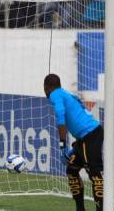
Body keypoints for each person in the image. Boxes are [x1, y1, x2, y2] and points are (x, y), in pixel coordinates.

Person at [43, 74, 104, 211]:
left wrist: (62, 144)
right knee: (72, 169)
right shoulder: (65, 93)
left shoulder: (55, 94)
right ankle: (80, 209)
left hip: (90, 134)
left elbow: (60, 116)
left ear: (46, 87)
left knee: (94, 172)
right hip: (85, 137)